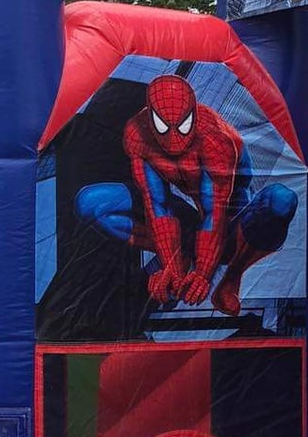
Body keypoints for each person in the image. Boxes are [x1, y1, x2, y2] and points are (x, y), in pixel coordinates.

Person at [74, 73, 296, 315]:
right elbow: (156, 203)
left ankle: (232, 278)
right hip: (189, 218)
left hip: (233, 222)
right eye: (163, 125)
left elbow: (215, 212)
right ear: (150, 116)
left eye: (181, 125)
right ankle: (180, 259)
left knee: (281, 200)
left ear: (193, 114)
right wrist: (170, 263)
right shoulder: (137, 135)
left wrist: (203, 274)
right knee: (90, 203)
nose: (173, 138)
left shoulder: (215, 140)